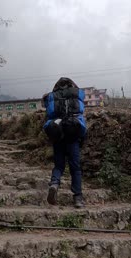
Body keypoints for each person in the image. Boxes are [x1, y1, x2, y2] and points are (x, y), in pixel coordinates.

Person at [42, 77, 87, 208]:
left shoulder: (52, 96)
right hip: (73, 132)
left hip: (57, 132)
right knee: (75, 168)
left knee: (59, 165)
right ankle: (78, 198)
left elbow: (47, 110)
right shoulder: (76, 93)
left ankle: (55, 183)